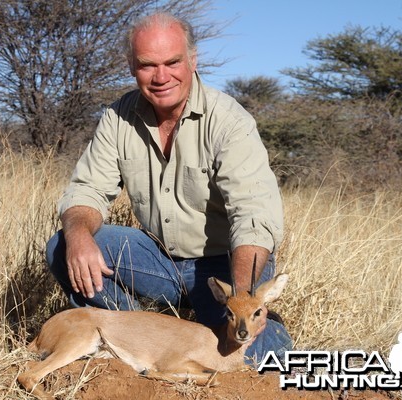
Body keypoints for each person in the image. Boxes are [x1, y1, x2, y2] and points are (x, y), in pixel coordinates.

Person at [45, 12, 292, 365]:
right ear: (131, 65)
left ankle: (263, 330)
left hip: (223, 269)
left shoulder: (229, 120)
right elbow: (87, 190)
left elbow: (253, 216)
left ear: (192, 60)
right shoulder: (118, 117)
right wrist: (80, 236)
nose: (161, 77)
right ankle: (128, 343)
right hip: (160, 260)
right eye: (148, 65)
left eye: (173, 62)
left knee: (259, 364)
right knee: (62, 245)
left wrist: (240, 298)